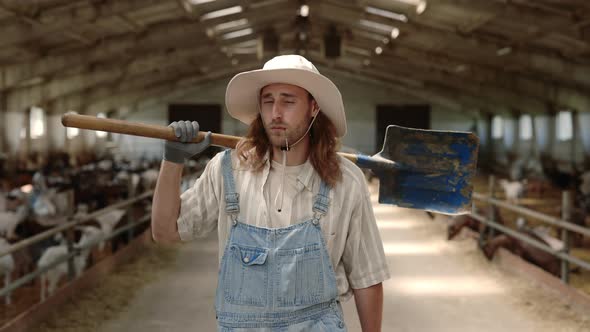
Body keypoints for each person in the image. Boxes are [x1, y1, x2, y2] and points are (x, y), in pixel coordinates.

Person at [152, 54, 390, 331]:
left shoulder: (346, 181)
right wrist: (172, 161)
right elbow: (165, 232)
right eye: (268, 101)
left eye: (288, 101)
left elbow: (367, 277)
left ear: (314, 108)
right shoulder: (228, 171)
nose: (276, 113)